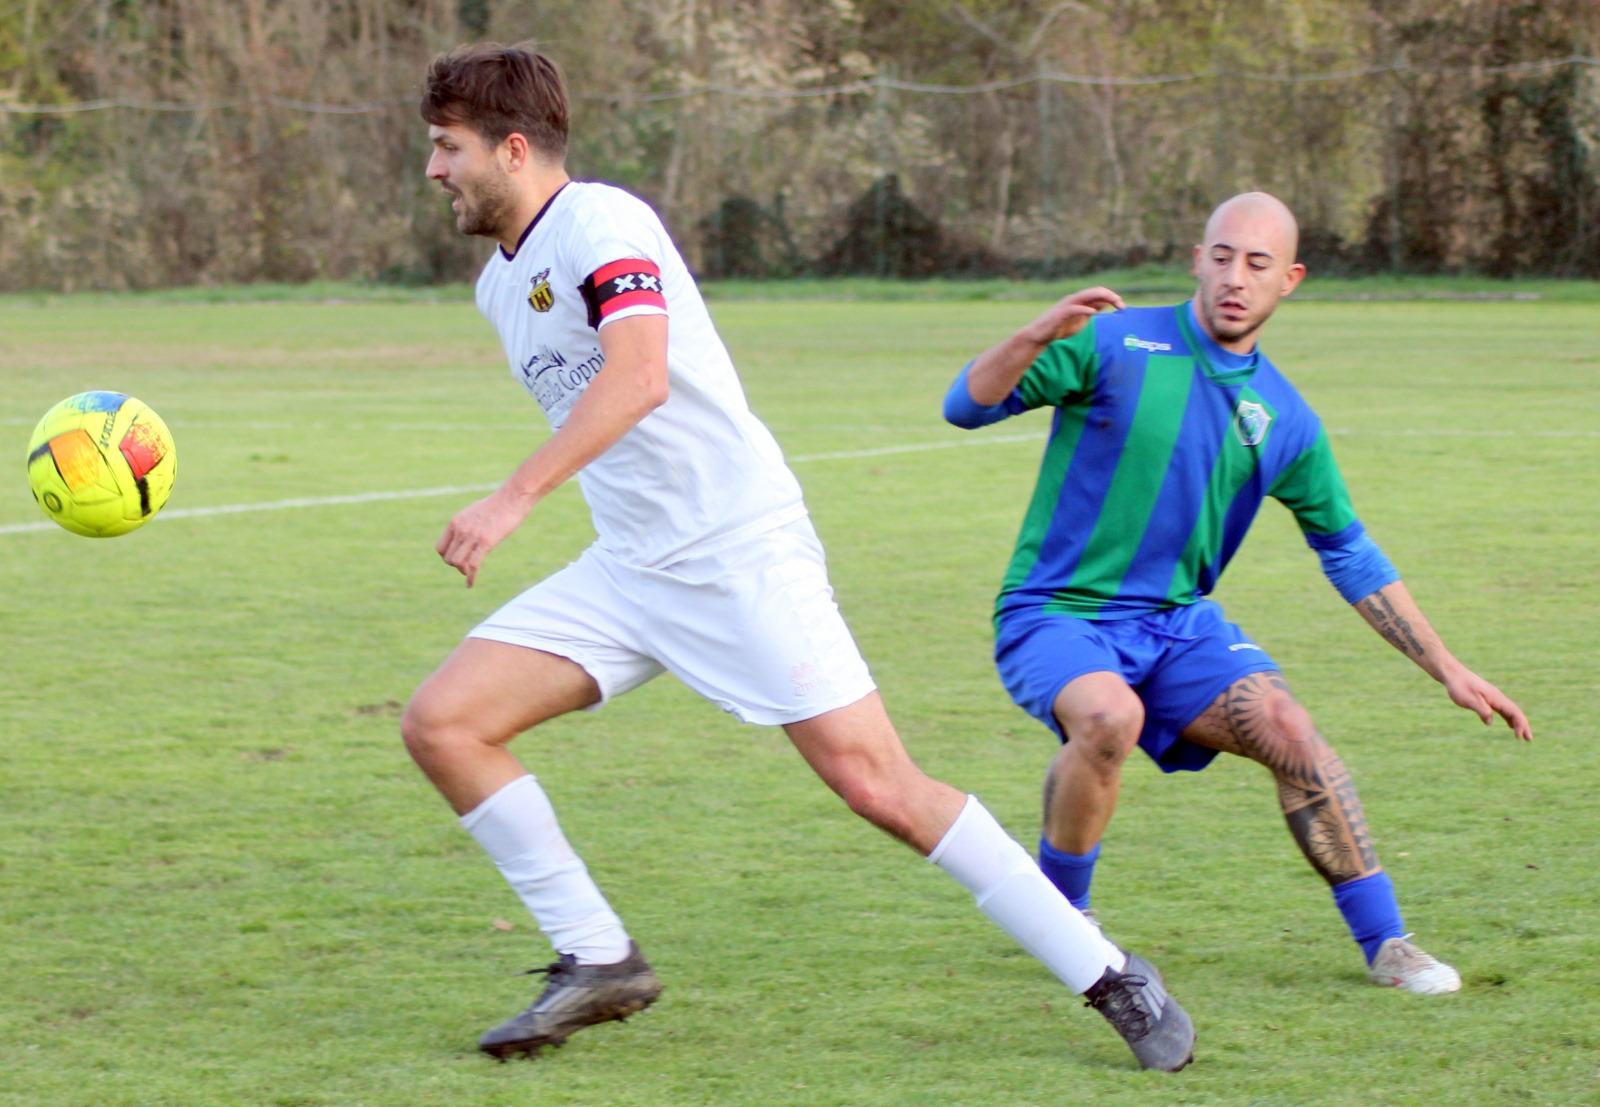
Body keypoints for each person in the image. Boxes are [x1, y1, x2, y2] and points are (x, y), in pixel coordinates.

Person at [399, 42, 1195, 1071]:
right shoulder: (498, 286)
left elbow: (639, 376)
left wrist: (512, 498)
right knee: (445, 723)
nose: (434, 169)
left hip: (738, 554)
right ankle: (598, 958)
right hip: (631, 567)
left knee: (879, 786)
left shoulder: (601, 223)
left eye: (448, 146)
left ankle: (1109, 972)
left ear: (513, 149)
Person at [943, 191, 1532, 996]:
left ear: (1290, 279)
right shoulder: (1112, 340)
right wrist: (1034, 333)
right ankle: (1062, 917)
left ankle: (1389, 942)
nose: (1235, 277)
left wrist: (1448, 667)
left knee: (1291, 729)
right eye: (1222, 256)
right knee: (1110, 717)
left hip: (1175, 624)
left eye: (1258, 263)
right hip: (1056, 611)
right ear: (1198, 259)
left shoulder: (1285, 417)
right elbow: (965, 407)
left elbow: (1348, 550)